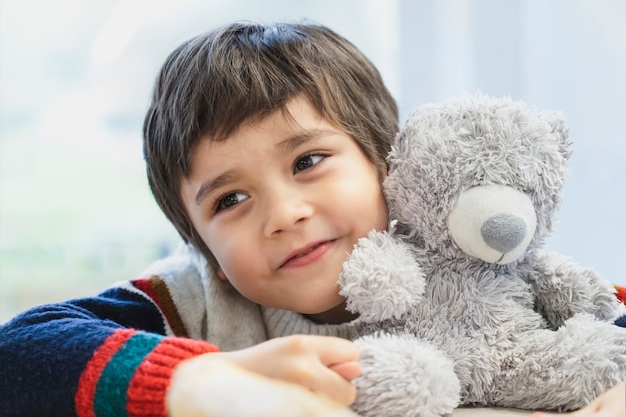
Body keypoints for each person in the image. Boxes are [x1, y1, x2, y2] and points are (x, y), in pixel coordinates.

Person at [0, 21, 623, 417]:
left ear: (387, 161)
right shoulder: (197, 300)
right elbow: (16, 351)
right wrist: (197, 379)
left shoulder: (465, 255)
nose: (285, 214)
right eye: (229, 201)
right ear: (201, 245)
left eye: (309, 160)